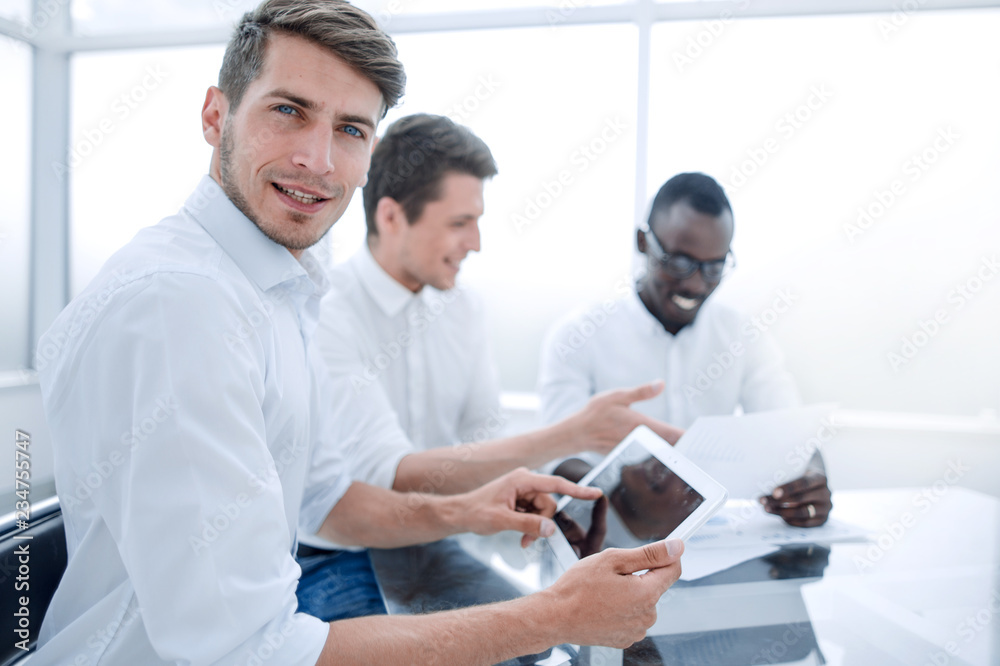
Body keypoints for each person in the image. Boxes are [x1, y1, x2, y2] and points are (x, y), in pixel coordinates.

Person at [32, 2, 684, 664]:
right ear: (215, 116)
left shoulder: (280, 290)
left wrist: (469, 509)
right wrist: (555, 615)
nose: (318, 160)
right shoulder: (183, 305)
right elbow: (249, 651)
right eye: (288, 110)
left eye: (350, 129)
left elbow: (327, 502)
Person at [295, 113, 686, 623]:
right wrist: (571, 434)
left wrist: (547, 492)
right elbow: (391, 476)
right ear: (391, 217)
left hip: (434, 543)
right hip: (336, 556)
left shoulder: (463, 308)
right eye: (459, 223)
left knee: (547, 646)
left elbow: (484, 437)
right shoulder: (327, 310)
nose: (475, 242)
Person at [538, 172, 832, 527]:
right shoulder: (578, 335)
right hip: (611, 541)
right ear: (643, 242)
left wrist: (810, 476)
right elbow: (553, 453)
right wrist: (617, 496)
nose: (694, 284)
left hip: (710, 537)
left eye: (714, 267)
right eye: (679, 262)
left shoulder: (744, 335)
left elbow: (789, 431)